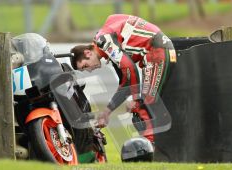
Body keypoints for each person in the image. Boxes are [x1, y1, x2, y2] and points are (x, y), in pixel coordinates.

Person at [70, 14, 176, 146]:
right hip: (159, 50)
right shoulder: (106, 43)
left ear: (87, 53)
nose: (89, 70)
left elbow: (131, 71)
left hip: (157, 51)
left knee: (144, 103)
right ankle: (153, 144)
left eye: (85, 66)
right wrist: (108, 111)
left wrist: (109, 111)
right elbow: (125, 83)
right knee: (140, 106)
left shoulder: (104, 41)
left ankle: (151, 146)